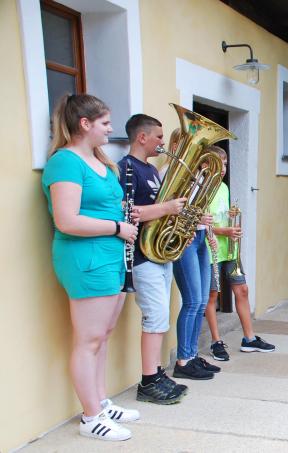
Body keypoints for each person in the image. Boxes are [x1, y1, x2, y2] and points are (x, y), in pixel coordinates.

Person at [42, 94, 140, 441]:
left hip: (110, 256)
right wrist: (117, 228)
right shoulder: (66, 162)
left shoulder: (100, 160)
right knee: (88, 340)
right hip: (86, 259)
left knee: (102, 336)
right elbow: (67, 220)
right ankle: (90, 417)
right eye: (105, 123)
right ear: (85, 124)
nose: (111, 129)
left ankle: (100, 401)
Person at [118, 114, 188, 404]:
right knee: (155, 315)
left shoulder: (152, 170)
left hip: (159, 253)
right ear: (142, 137)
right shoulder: (125, 169)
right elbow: (129, 212)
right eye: (158, 136)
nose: (163, 142)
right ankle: (148, 381)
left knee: (162, 316)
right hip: (142, 257)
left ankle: (157, 373)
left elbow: (157, 209)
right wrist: (167, 208)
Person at [204, 146, 275, 360]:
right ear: (205, 165)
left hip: (229, 248)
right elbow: (198, 225)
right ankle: (216, 341)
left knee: (242, 289)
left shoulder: (223, 188)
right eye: (219, 164)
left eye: (225, 164)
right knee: (212, 296)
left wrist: (231, 222)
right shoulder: (199, 188)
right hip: (210, 249)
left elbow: (221, 216)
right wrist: (223, 230)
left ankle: (249, 339)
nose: (223, 169)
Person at [172, 145, 221, 380]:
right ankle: (183, 360)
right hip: (186, 238)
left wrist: (209, 231)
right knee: (192, 302)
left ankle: (191, 355)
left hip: (200, 236)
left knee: (201, 302)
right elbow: (173, 208)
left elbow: (202, 210)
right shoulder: (182, 177)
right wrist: (196, 219)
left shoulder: (205, 183)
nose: (220, 170)